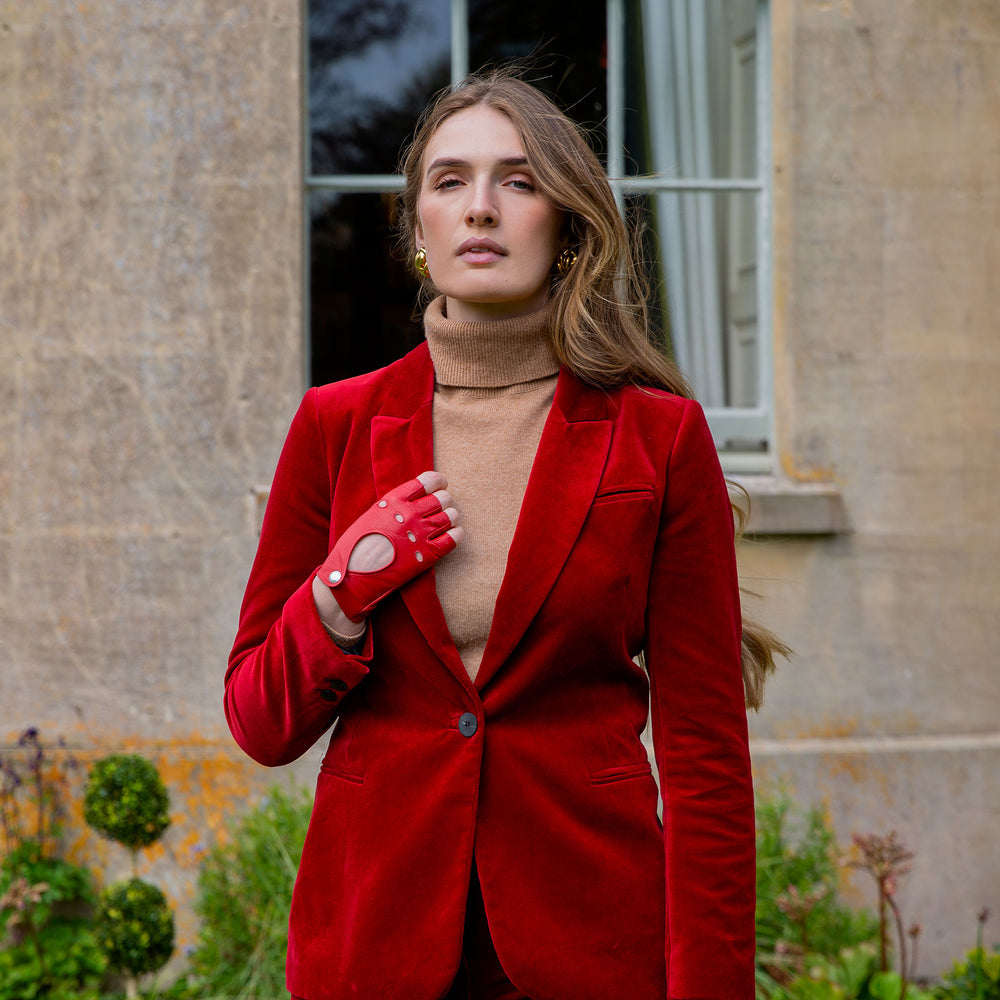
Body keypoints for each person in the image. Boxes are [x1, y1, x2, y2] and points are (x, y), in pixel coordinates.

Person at [226, 69, 786, 1000]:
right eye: (449, 182)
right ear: (417, 231)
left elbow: (706, 764)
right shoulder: (334, 426)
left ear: (565, 226)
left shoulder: (659, 437)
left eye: (517, 182)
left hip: (593, 943)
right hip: (376, 944)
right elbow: (258, 720)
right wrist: (337, 594)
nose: (480, 207)